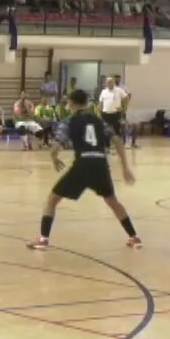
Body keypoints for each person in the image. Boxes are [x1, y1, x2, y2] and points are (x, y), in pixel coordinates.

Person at [28, 89, 143, 251]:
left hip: (83, 164)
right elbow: (117, 140)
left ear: (71, 103)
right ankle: (134, 237)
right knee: (112, 201)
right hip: (100, 164)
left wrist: (54, 158)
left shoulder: (69, 121)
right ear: (86, 103)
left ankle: (43, 239)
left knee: (52, 200)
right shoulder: (98, 121)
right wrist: (125, 168)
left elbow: (56, 145)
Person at [97, 75, 130, 149]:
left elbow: (127, 98)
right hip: (105, 114)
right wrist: (99, 112)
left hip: (115, 114)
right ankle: (107, 146)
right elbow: (100, 103)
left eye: (111, 82)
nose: (109, 83)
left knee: (116, 131)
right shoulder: (103, 91)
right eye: (108, 82)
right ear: (106, 83)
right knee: (105, 130)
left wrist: (123, 107)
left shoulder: (119, 90)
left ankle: (118, 146)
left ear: (114, 82)